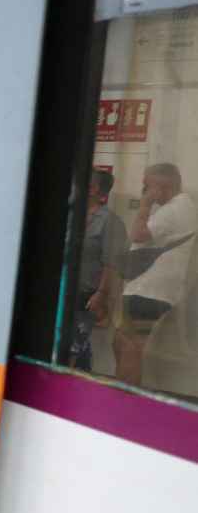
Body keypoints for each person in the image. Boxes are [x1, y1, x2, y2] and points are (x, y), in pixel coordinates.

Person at [116, 162, 197, 386]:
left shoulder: (174, 209)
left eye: (147, 187)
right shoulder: (179, 207)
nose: (145, 192)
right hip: (148, 288)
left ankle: (125, 399)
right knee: (121, 342)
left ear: (162, 186)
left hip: (149, 291)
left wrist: (144, 206)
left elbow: (138, 235)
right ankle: (123, 392)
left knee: (130, 348)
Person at [74, 169, 127, 371]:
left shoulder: (110, 222)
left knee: (74, 346)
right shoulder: (74, 216)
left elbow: (112, 264)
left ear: (93, 189)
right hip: (66, 290)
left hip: (87, 296)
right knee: (76, 347)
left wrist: (101, 295)